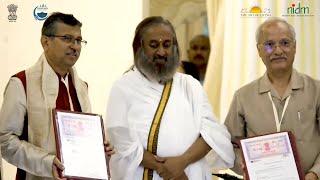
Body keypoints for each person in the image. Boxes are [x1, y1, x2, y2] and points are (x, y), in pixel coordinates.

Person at [105, 16, 234, 180]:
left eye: (167, 45)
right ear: (139, 48)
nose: (161, 52)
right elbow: (120, 137)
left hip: (188, 172)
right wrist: (166, 169)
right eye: (154, 45)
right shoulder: (123, 86)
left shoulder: (190, 85)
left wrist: (182, 162)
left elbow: (212, 133)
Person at [0, 12, 114, 180]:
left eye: (78, 40)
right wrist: (46, 163)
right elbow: (5, 141)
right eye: (67, 38)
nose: (75, 46)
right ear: (45, 42)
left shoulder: (82, 87)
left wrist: (99, 150)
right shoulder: (22, 83)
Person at [224, 17, 320, 180]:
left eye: (285, 43)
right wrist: (246, 167)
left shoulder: (316, 90)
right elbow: (228, 145)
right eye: (269, 45)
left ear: (295, 47)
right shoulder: (243, 96)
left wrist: (315, 174)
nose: (277, 51)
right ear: (259, 50)